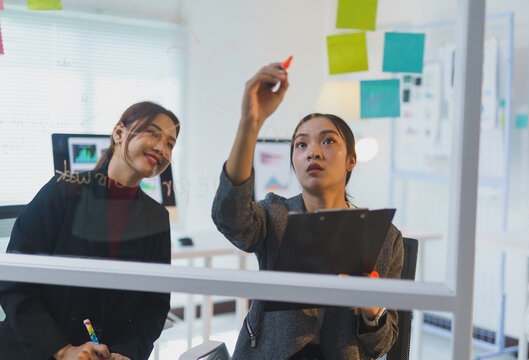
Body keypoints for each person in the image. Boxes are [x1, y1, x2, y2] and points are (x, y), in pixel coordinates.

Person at [211, 63, 404, 360]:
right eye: (301, 145)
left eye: (328, 141)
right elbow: (229, 218)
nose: (313, 152)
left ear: (351, 160)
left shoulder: (385, 238)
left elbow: (381, 345)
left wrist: (371, 308)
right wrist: (251, 122)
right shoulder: (275, 214)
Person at [0, 101, 180, 360]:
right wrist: (62, 351)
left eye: (170, 144)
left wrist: (126, 353)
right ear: (119, 133)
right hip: (34, 350)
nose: (161, 148)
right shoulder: (63, 191)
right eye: (153, 133)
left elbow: (154, 305)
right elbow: (15, 282)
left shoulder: (157, 218)